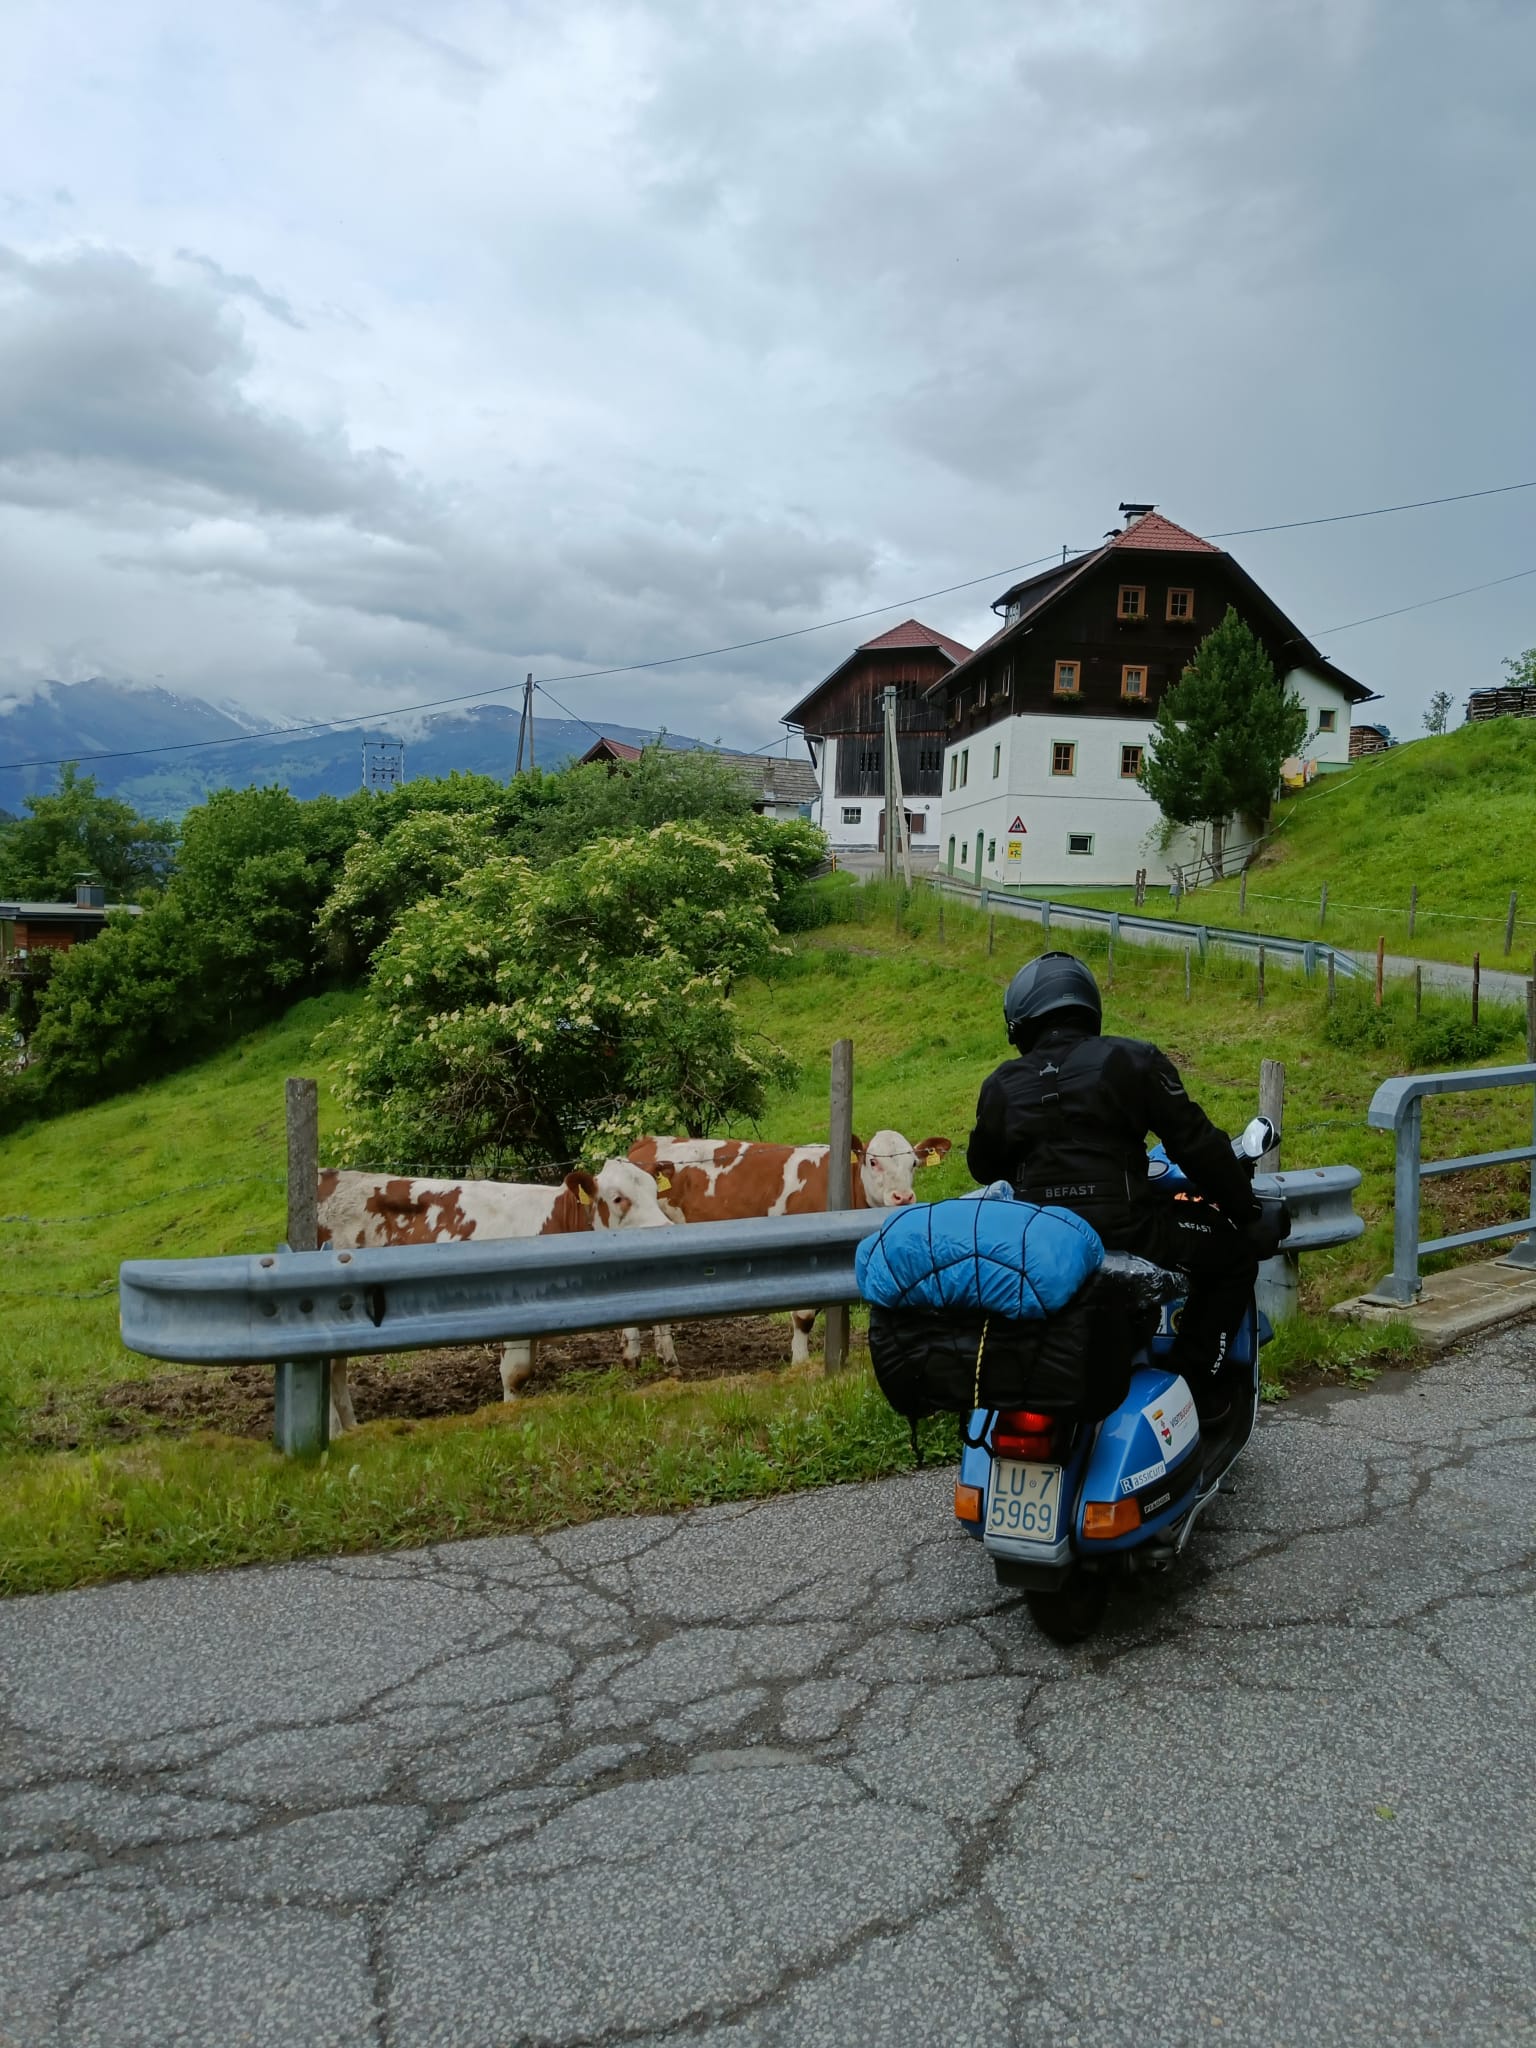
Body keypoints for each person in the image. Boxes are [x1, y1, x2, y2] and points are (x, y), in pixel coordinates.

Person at [966, 950, 1261, 1424]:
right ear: (1087, 1005)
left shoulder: (1001, 1084)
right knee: (1234, 1255)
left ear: (1020, 1020)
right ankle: (1193, 1389)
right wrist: (1245, 1211)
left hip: (1041, 1244)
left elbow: (983, 1167)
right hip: (1130, 1233)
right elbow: (1196, 1144)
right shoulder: (1133, 1059)